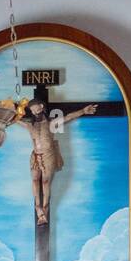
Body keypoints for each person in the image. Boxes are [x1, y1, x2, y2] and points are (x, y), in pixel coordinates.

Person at [19, 96, 97, 224]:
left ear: (41, 107)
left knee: (45, 182)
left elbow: (68, 117)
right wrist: (1, 110)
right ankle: (38, 208)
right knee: (34, 180)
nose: (34, 113)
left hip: (48, 155)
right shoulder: (30, 125)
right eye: (32, 111)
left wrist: (83, 111)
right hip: (35, 156)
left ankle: (44, 208)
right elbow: (13, 119)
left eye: (36, 110)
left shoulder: (51, 123)